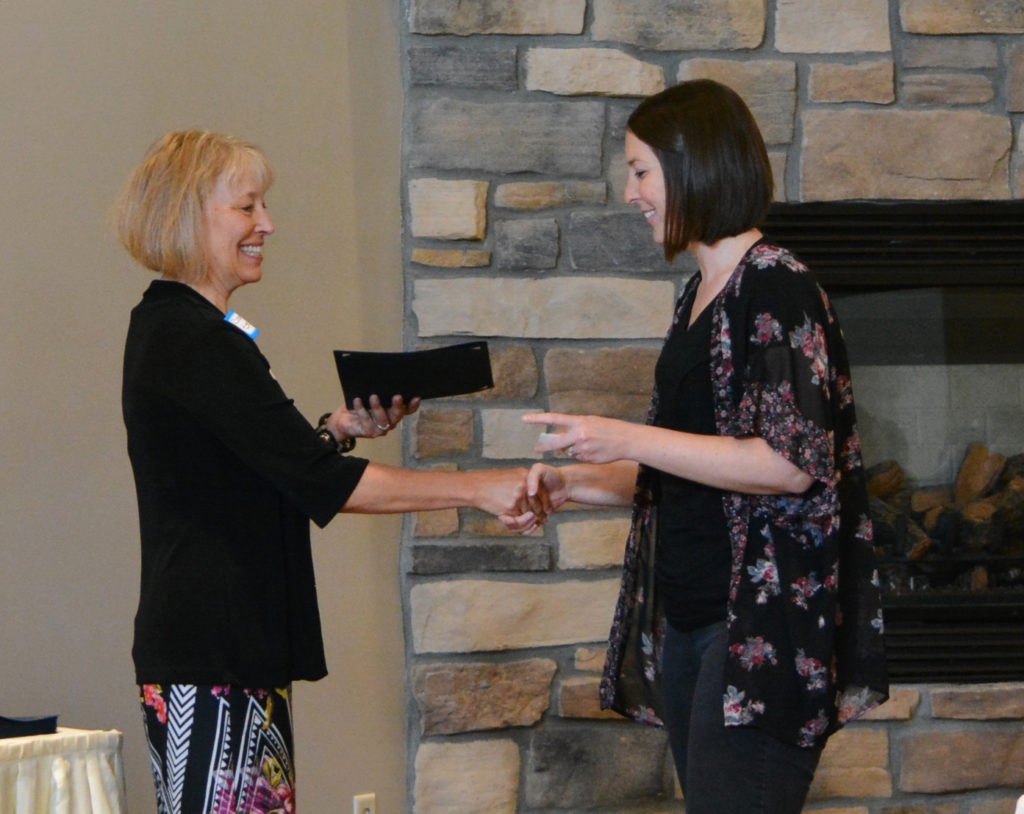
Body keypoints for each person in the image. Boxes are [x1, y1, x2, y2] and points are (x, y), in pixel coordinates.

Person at [116, 129, 545, 814]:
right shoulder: (193, 340)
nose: (267, 225)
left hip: (223, 656)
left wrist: (336, 431)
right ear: (188, 215)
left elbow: (256, 464)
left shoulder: (185, 330)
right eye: (247, 208)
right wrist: (480, 486)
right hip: (215, 657)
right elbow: (323, 485)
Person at [516, 80, 889, 813]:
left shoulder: (778, 287)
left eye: (641, 170)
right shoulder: (696, 298)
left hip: (756, 626)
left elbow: (787, 463)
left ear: (693, 165)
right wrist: (575, 486)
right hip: (691, 622)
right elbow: (695, 465)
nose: (631, 193)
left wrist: (624, 435)